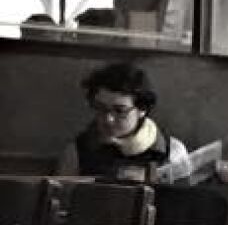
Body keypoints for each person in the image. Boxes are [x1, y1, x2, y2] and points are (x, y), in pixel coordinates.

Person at [57, 61, 189, 181]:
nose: (108, 119)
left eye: (120, 111)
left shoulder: (172, 152)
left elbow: (185, 204)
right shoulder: (78, 151)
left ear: (141, 109)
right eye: (101, 109)